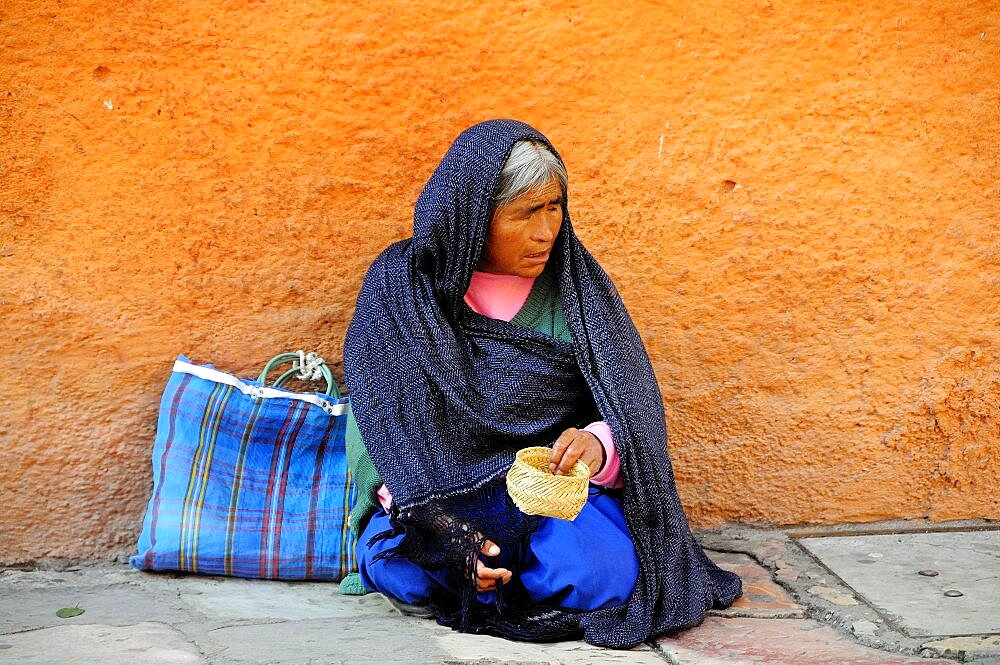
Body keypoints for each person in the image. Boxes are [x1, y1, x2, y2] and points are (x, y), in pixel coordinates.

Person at [342, 119, 741, 647]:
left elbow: (631, 408)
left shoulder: (576, 290)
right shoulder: (402, 286)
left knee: (606, 576)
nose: (545, 231)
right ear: (472, 218)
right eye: (525, 212)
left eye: (554, 207)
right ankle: (476, 572)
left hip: (543, 492)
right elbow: (378, 418)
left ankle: (498, 579)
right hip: (431, 493)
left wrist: (598, 446)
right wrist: (440, 526)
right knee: (414, 572)